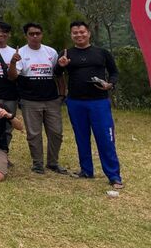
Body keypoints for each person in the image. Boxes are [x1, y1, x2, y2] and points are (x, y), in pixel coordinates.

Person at [54, 20, 122, 188]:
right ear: (71, 35)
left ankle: (114, 176)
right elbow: (57, 73)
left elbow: (114, 72)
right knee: (81, 137)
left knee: (105, 138)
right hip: (75, 102)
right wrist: (60, 65)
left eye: (82, 32)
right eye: (75, 33)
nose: (79, 35)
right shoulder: (66, 53)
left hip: (99, 102)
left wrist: (110, 84)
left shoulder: (102, 53)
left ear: (89, 33)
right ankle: (86, 170)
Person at [9, 23, 66, 175]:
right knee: (34, 134)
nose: (35, 36)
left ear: (42, 34)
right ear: (26, 36)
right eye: (31, 34)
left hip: (51, 99)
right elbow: (12, 77)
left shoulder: (51, 52)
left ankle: (53, 162)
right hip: (30, 100)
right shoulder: (20, 53)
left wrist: (62, 94)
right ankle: (38, 163)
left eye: (38, 33)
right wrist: (13, 62)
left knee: (56, 132)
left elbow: (58, 74)